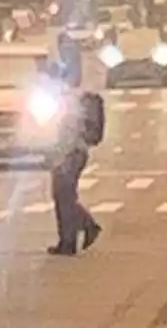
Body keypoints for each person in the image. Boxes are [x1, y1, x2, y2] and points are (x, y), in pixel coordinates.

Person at [48, 80, 102, 257]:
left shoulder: (69, 103)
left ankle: (75, 236)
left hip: (70, 155)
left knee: (63, 196)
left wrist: (59, 160)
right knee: (64, 197)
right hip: (71, 154)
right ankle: (70, 238)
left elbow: (68, 135)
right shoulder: (70, 100)